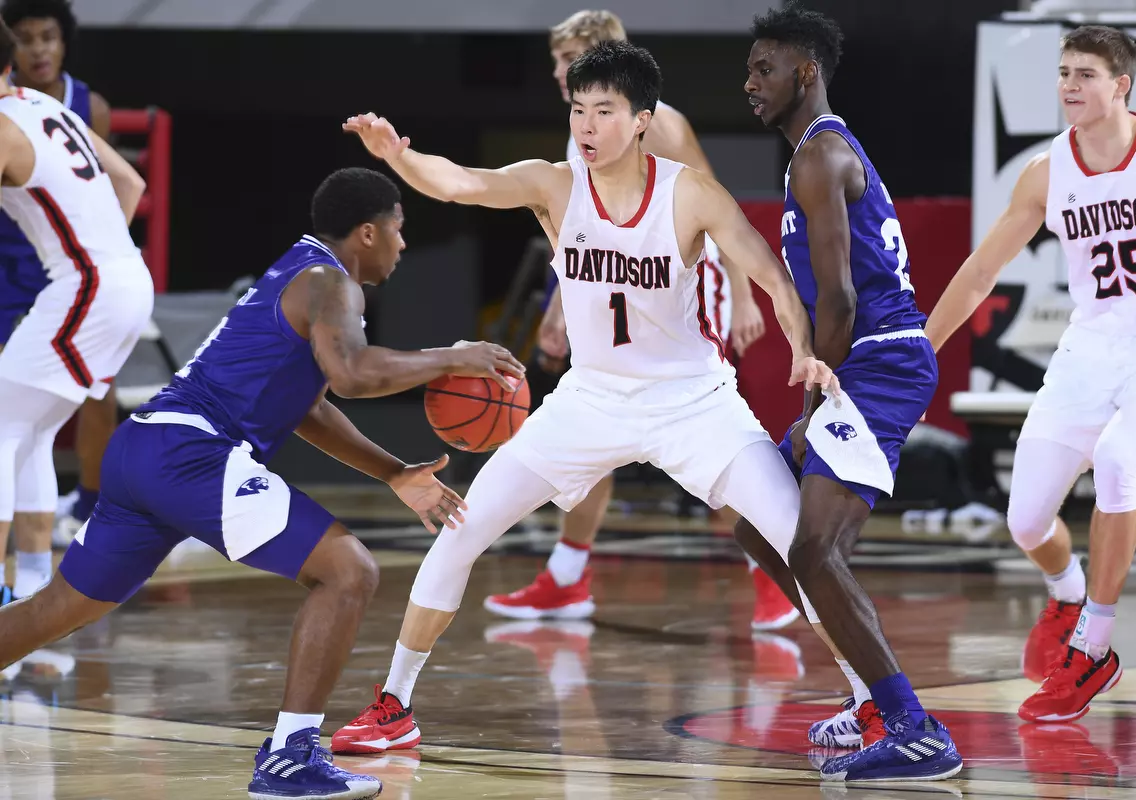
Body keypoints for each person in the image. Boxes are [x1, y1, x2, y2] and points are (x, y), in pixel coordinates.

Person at [333, 40, 838, 755]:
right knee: (460, 529)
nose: (587, 126)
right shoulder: (555, 185)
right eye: (578, 110)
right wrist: (398, 158)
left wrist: (803, 350)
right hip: (589, 400)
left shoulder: (688, 191)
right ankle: (394, 702)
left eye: (604, 111)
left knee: (800, 542)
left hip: (692, 400)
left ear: (642, 120)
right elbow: (462, 184)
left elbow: (770, 275)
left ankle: (876, 699)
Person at [0, 166, 525, 798]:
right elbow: (353, 373)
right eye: (398, 229)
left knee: (55, 611)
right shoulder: (333, 282)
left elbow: (307, 409)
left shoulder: (298, 272)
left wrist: (393, 473)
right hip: (191, 453)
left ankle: (290, 757)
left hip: (143, 448)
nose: (403, 244)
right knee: (348, 572)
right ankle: (290, 758)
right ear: (367, 232)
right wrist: (454, 355)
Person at [483, 9, 796, 632]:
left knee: (708, 443)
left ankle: (774, 575)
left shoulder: (662, 123)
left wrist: (742, 290)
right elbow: (585, 243)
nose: (555, 71)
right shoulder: (584, 131)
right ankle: (568, 578)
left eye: (565, 57)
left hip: (687, 286)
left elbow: (713, 201)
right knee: (594, 425)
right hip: (620, 293)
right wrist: (559, 311)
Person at [925, 25, 1136, 723]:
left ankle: (1094, 648)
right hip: (1089, 348)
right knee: (1024, 520)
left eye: (1085, 73)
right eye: (1063, 72)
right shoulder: (1047, 172)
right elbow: (983, 270)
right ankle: (1068, 591)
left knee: (1116, 461)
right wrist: (923, 346)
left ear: (1121, 86)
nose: (1069, 85)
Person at [737, 5, 961, 781]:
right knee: (754, 521)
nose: (749, 82)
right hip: (867, 362)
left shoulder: (818, 157)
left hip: (880, 360)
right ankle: (874, 700)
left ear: (806, 72)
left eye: (764, 68)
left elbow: (838, 305)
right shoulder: (816, 154)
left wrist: (809, 409)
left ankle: (912, 727)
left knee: (811, 546)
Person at [0, 16, 145, 608]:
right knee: (26, 430)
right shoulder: (46, 104)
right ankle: (32, 589)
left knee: (4, 426)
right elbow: (131, 183)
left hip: (89, 286)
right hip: (124, 280)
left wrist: (89, 267)